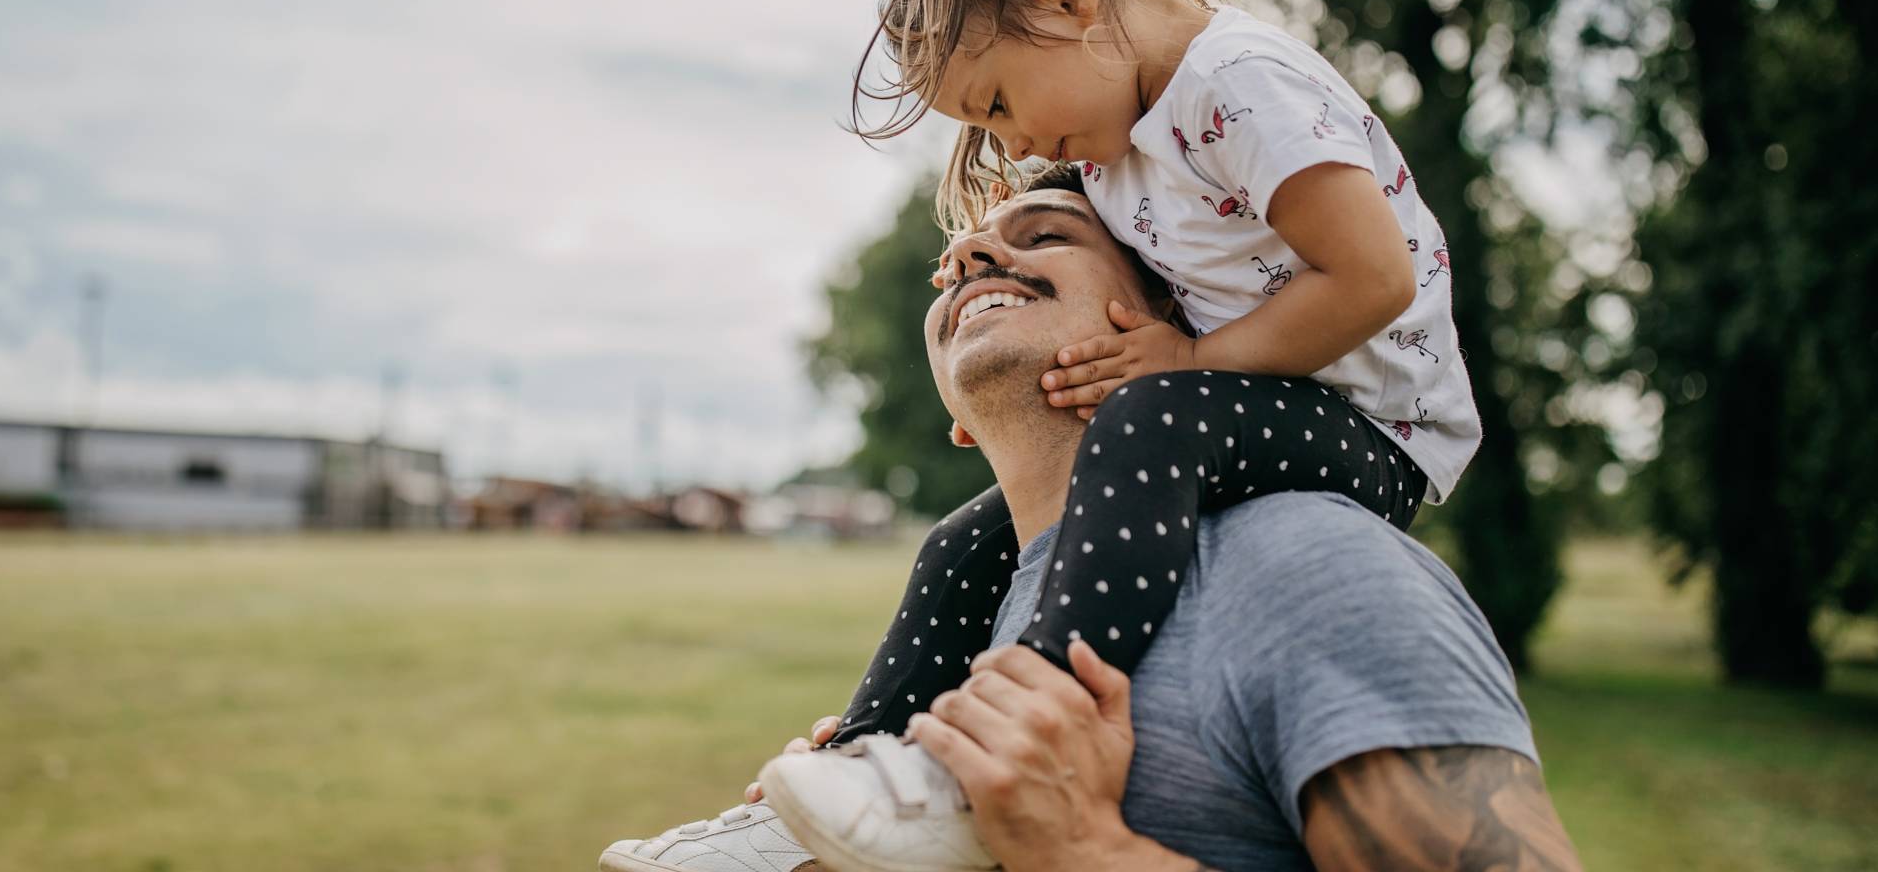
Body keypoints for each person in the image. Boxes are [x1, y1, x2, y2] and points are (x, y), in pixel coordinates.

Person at [754, 0, 1485, 868]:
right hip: (1261, 394)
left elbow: (1373, 279)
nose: (1006, 145)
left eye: (998, 103)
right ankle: (861, 766)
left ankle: (1038, 716)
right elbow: (1031, 237)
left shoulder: (1240, 82)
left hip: (1376, 423)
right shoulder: (1125, 141)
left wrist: (1188, 354)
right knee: (961, 542)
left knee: (1157, 411)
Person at [604, 176, 1580, 872]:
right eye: (956, 268)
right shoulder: (979, 602)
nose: (977, 255)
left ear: (1167, 318)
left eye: (1049, 233)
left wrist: (1085, 848)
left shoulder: (1312, 564)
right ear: (954, 411)